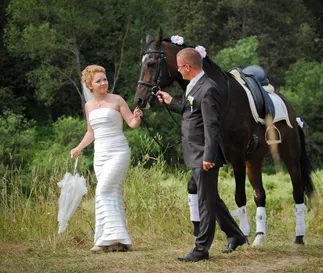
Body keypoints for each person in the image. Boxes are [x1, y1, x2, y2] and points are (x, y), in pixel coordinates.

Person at [157, 48, 246, 262]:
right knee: (211, 198)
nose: (178, 71)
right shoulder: (194, 85)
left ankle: (201, 249)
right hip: (195, 151)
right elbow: (192, 112)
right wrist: (171, 102)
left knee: (205, 201)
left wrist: (209, 155)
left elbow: (211, 125)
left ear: (187, 67)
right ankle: (236, 234)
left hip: (203, 154)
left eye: (179, 67)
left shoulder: (208, 89)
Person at [70, 65, 143, 253]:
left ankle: (105, 240)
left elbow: (132, 124)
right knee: (113, 194)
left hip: (118, 152)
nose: (104, 83)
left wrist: (137, 118)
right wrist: (78, 148)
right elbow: (90, 132)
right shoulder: (89, 106)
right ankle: (119, 242)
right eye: (99, 80)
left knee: (103, 191)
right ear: (90, 85)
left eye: (105, 79)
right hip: (100, 156)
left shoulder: (117, 100)